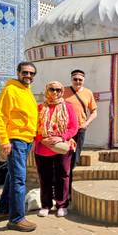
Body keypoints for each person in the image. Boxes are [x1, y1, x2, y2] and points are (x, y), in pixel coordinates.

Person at [0, 62, 38, 232]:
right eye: (25, 72)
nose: (28, 75)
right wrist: (4, 140)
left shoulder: (26, 90)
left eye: (31, 73)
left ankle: (3, 210)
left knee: (12, 176)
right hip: (16, 140)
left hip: (26, 140)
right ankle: (16, 219)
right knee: (19, 179)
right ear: (18, 72)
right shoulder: (11, 90)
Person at [35, 81, 78, 217]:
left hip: (62, 147)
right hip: (43, 148)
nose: (55, 92)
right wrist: (42, 139)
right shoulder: (40, 107)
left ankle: (61, 204)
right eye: (52, 89)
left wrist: (61, 137)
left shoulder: (68, 107)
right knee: (45, 177)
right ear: (47, 90)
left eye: (58, 90)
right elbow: (33, 127)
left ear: (62, 92)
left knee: (62, 176)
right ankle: (46, 205)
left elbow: (74, 127)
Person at [63, 70, 97, 170]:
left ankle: (70, 173)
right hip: (66, 128)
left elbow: (94, 112)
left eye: (80, 80)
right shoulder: (63, 91)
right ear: (71, 79)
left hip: (80, 127)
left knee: (76, 152)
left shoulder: (88, 93)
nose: (77, 81)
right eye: (75, 79)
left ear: (84, 80)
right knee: (65, 150)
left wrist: (86, 124)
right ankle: (64, 173)